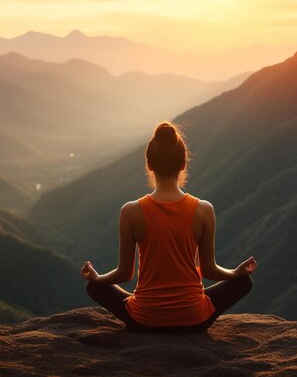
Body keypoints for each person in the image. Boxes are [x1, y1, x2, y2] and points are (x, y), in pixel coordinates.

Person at [81, 121, 257, 332]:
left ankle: (147, 304)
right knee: (243, 283)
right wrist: (235, 273)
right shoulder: (203, 209)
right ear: (183, 164)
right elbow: (209, 270)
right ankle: (187, 306)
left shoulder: (131, 211)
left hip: (145, 320)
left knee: (95, 288)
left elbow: (124, 274)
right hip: (194, 319)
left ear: (149, 164)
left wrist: (97, 278)